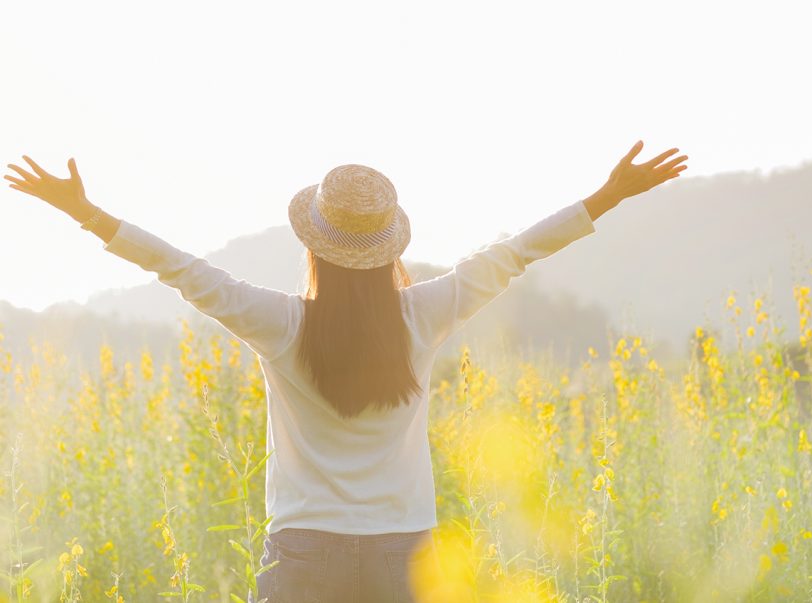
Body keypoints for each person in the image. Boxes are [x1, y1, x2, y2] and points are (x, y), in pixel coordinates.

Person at [4, 140, 688, 602]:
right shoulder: (425, 312)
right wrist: (608, 195)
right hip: (404, 556)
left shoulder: (279, 321)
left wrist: (86, 212)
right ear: (390, 248)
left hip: (303, 555)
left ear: (314, 246)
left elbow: (183, 270)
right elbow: (514, 254)